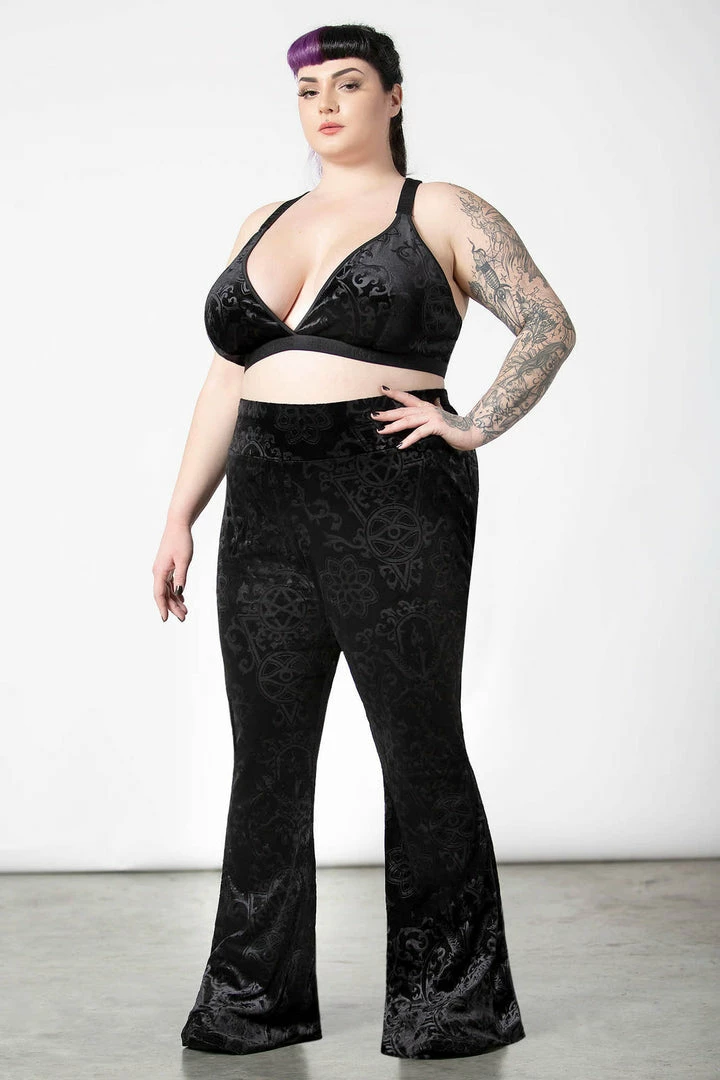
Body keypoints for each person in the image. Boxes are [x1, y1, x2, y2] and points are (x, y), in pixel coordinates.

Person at [153, 22, 576, 1061]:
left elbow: (548, 324)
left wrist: (470, 424)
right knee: (266, 759)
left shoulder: (440, 210)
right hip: (264, 499)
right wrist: (179, 515)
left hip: (394, 493)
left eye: (348, 84)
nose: (327, 105)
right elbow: (226, 378)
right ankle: (253, 1001)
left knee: (418, 746)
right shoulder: (265, 220)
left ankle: (450, 1004)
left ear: (394, 96)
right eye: (308, 90)